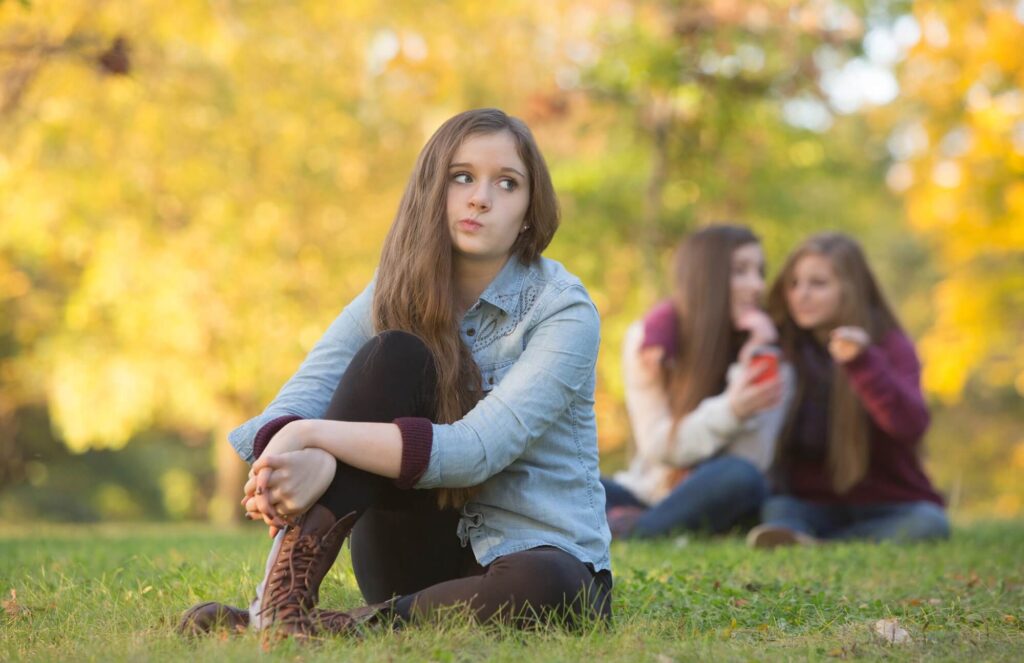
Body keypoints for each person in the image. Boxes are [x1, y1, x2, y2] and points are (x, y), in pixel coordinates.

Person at [178, 108, 612, 639]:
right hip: (410, 552)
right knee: (395, 355)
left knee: (554, 586)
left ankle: (353, 625)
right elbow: (300, 397)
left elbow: (479, 450)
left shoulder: (562, 311)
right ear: (434, 190)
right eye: (462, 177)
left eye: (507, 183)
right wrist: (288, 460)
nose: (481, 197)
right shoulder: (395, 289)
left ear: (528, 211)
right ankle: (282, 603)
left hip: (534, 558)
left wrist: (314, 438)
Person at [747, 232, 949, 547]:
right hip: (812, 505)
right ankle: (809, 538)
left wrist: (863, 363)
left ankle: (822, 545)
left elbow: (910, 426)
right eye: (794, 283)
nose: (802, 295)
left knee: (929, 523)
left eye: (818, 284)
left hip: (889, 502)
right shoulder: (782, 346)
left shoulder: (890, 345)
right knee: (778, 509)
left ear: (850, 288)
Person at [601, 225, 791, 539]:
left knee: (739, 475)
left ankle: (637, 532)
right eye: (740, 272)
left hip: (721, 495)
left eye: (760, 272)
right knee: (568, 479)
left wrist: (749, 366)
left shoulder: (772, 358)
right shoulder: (649, 343)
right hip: (650, 494)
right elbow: (657, 446)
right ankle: (650, 522)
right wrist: (730, 410)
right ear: (706, 278)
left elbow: (752, 461)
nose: (757, 285)